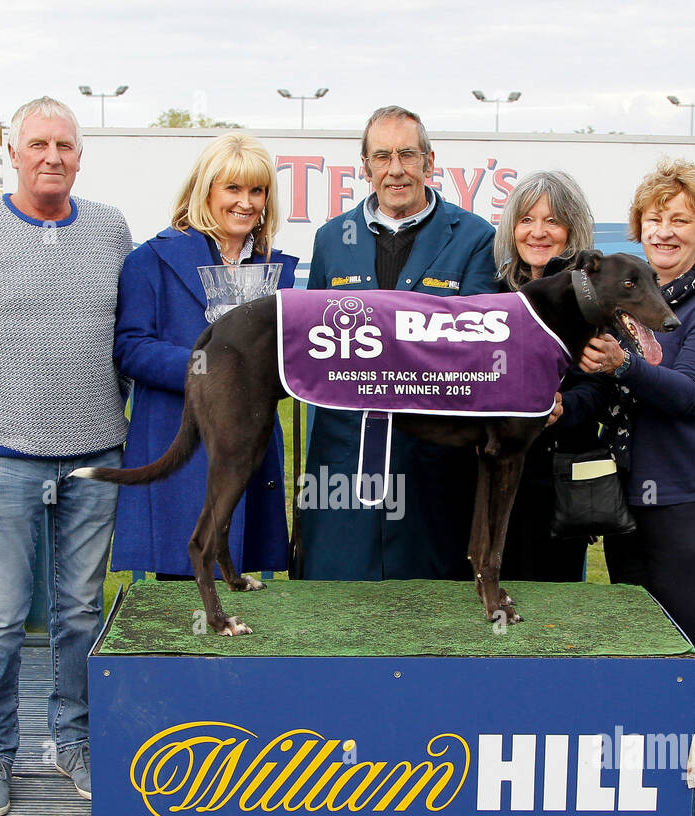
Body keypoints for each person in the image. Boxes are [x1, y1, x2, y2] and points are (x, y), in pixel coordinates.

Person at [0, 96, 133, 816]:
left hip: (94, 457)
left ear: (80, 155)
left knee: (79, 611)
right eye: (37, 143)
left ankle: (73, 742)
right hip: (0, 456)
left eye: (65, 145)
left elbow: (127, 336)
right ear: (12, 152)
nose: (52, 156)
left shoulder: (109, 230)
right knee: (2, 616)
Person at [579, 159, 695, 816]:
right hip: (634, 503)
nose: (666, 230)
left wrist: (624, 364)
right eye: (655, 218)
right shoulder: (628, 292)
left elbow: (692, 392)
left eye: (680, 219)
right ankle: (658, 769)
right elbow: (600, 387)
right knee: (648, 643)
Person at [300, 105, 497, 580]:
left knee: (433, 610)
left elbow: (469, 345)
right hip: (342, 459)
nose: (396, 169)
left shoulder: (474, 236)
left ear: (430, 162)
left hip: (432, 455)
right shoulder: (332, 238)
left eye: (408, 155)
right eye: (382, 156)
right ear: (364, 167)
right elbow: (315, 347)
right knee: (336, 603)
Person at [110, 133, 296, 579]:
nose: (245, 203)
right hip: (182, 442)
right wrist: (211, 369)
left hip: (250, 444)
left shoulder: (281, 269)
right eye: (232, 188)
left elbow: (290, 357)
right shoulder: (150, 260)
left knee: (247, 595)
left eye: (257, 190)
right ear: (205, 191)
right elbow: (131, 347)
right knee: (180, 601)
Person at [493, 170, 612, 582]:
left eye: (552, 221)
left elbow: (598, 388)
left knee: (553, 611)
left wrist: (565, 407)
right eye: (526, 220)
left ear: (571, 229)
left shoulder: (593, 301)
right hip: (491, 477)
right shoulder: (491, 295)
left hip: (560, 482)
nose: (538, 232)